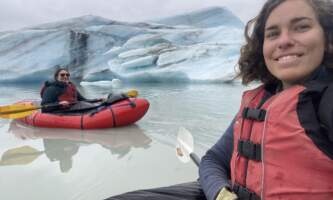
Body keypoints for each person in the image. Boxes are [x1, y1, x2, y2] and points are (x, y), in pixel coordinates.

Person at [106, 0, 333, 199]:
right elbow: (213, 160)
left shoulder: (326, 101)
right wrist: (220, 193)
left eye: (302, 27)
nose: (284, 41)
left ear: (328, 39)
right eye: (272, 33)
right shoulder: (263, 101)